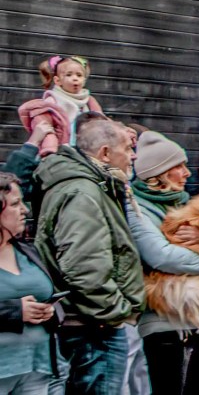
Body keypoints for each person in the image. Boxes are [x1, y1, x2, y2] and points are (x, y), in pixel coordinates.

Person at [34, 118, 141, 395]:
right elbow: (83, 267)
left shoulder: (90, 186)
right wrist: (116, 312)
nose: (133, 156)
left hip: (92, 323)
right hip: (94, 328)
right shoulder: (83, 192)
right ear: (105, 153)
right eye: (128, 148)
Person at [129, 131, 199, 395]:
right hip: (166, 328)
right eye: (180, 167)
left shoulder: (187, 204)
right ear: (160, 173)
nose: (188, 173)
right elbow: (161, 256)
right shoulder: (136, 207)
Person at [0, 172, 59, 394]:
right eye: (15, 204)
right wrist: (16, 311)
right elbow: (17, 309)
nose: (25, 210)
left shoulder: (26, 250)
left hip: (36, 366)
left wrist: (48, 310)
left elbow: (45, 291)